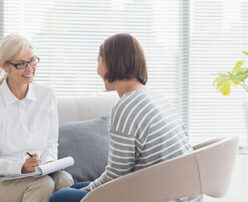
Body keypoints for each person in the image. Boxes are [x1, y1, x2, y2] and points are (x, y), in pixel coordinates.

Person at [49, 33, 203, 202]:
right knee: (75, 188)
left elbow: (116, 175)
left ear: (111, 63)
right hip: (186, 194)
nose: (97, 70)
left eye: (98, 61)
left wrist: (89, 189)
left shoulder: (126, 107)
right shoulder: (158, 98)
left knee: (60, 197)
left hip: (160, 196)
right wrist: (87, 188)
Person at [0, 34, 73, 202]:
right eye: (21, 64)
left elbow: (51, 144)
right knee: (42, 185)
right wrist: (21, 167)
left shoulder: (47, 96)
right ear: (5, 66)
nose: (29, 69)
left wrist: (49, 162)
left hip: (37, 174)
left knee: (65, 180)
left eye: (32, 61)